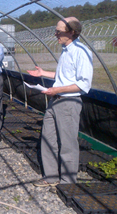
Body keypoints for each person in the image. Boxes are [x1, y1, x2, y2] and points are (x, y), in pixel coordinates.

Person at [27, 17, 93, 193]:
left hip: (68, 102)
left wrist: (57, 90)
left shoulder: (81, 52)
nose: (55, 34)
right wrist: (43, 73)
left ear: (71, 32)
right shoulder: (66, 50)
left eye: (59, 31)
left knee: (67, 143)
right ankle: (51, 177)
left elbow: (83, 84)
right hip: (55, 101)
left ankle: (67, 182)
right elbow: (64, 74)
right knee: (48, 138)